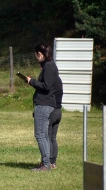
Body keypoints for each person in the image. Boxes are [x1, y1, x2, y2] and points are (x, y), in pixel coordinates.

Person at [27, 43, 59, 171]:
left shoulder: (48, 67)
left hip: (44, 104)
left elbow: (46, 86)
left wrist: (32, 81)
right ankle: (46, 163)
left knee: (40, 135)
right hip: (47, 104)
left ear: (40, 54)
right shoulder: (50, 66)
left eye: (36, 55)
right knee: (44, 135)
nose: (36, 57)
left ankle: (46, 164)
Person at [49, 76, 63, 169]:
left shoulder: (50, 79)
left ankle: (48, 161)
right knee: (53, 138)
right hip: (59, 110)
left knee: (47, 137)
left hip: (52, 110)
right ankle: (53, 162)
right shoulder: (58, 79)